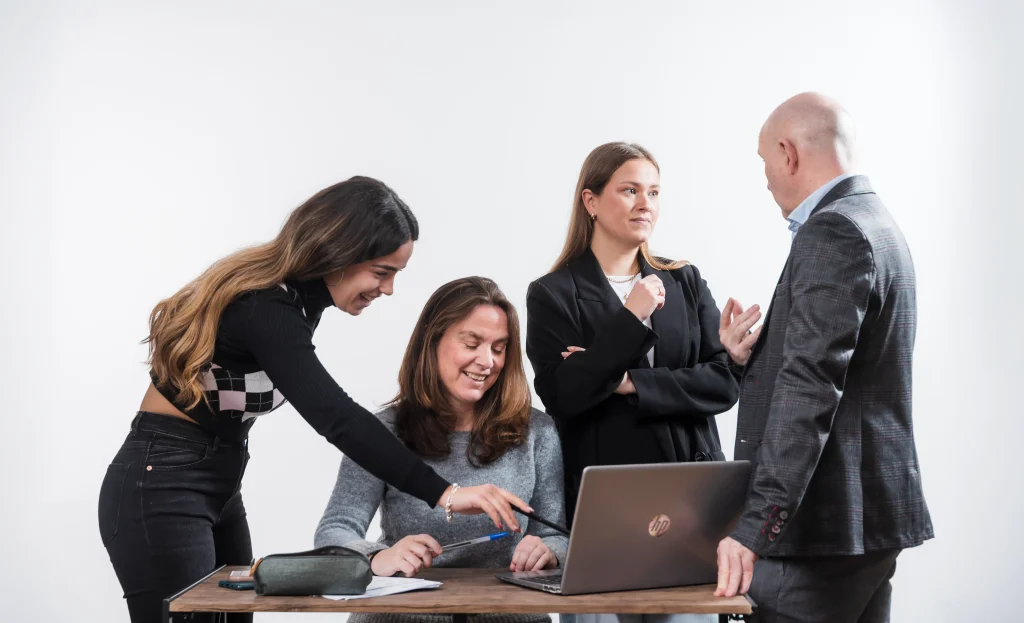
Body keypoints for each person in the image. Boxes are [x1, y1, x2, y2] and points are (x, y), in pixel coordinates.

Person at [97, 177, 531, 623]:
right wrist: (445, 492)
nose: (387, 289)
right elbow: (336, 416)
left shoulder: (302, 303)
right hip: (164, 478)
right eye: (382, 272)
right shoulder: (265, 306)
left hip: (218, 479)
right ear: (339, 253)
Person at [714, 93, 934, 622]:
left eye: (764, 160)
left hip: (816, 536)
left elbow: (809, 389)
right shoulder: (877, 222)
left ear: (788, 153)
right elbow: (853, 372)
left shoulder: (832, 230)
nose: (766, 179)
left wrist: (756, 525)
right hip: (867, 526)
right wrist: (760, 356)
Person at [525, 142, 739, 623]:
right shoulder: (552, 294)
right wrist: (631, 316)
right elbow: (565, 395)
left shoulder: (684, 279)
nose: (646, 204)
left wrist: (627, 383)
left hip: (691, 498)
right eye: (630, 190)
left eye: (654, 192)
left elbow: (724, 382)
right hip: (607, 507)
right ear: (591, 201)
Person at [315, 277, 568, 623]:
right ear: (432, 340)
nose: (487, 361)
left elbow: (557, 535)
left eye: (498, 349)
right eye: (472, 343)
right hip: (400, 617)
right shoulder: (382, 431)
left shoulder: (537, 431)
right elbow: (333, 532)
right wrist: (377, 557)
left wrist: (547, 551)